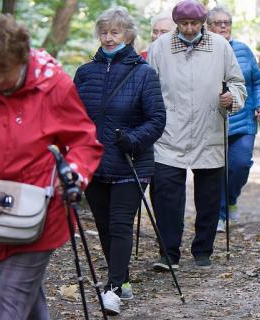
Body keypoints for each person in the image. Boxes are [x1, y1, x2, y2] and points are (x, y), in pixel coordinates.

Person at [0, 15, 103, 320]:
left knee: (10, 302)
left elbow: (85, 142)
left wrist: (73, 177)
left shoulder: (53, 84)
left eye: (4, 71)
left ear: (21, 58)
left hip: (42, 211)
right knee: (24, 298)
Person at [74, 6, 166, 316]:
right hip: (94, 163)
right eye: (104, 32)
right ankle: (123, 278)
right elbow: (73, 117)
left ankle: (112, 289)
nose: (109, 37)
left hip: (131, 162)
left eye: (115, 32)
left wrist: (133, 138)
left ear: (127, 35)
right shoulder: (85, 73)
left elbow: (157, 119)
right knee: (103, 225)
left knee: (120, 223)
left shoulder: (143, 73)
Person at [147, 0, 246, 270]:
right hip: (169, 132)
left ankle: (203, 250)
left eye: (194, 24)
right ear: (176, 23)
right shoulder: (160, 47)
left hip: (209, 128)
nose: (189, 29)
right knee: (167, 196)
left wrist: (231, 98)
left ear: (203, 22)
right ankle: (168, 254)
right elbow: (149, 87)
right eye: (184, 24)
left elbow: (238, 83)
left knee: (209, 197)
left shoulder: (221, 46)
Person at [207, 6, 260, 233]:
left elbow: (258, 82)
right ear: (208, 26)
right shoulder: (204, 51)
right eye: (218, 22)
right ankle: (220, 215)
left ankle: (231, 198)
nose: (224, 26)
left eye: (227, 22)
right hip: (213, 122)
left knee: (240, 165)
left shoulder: (243, 50)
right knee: (216, 171)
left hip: (243, 121)